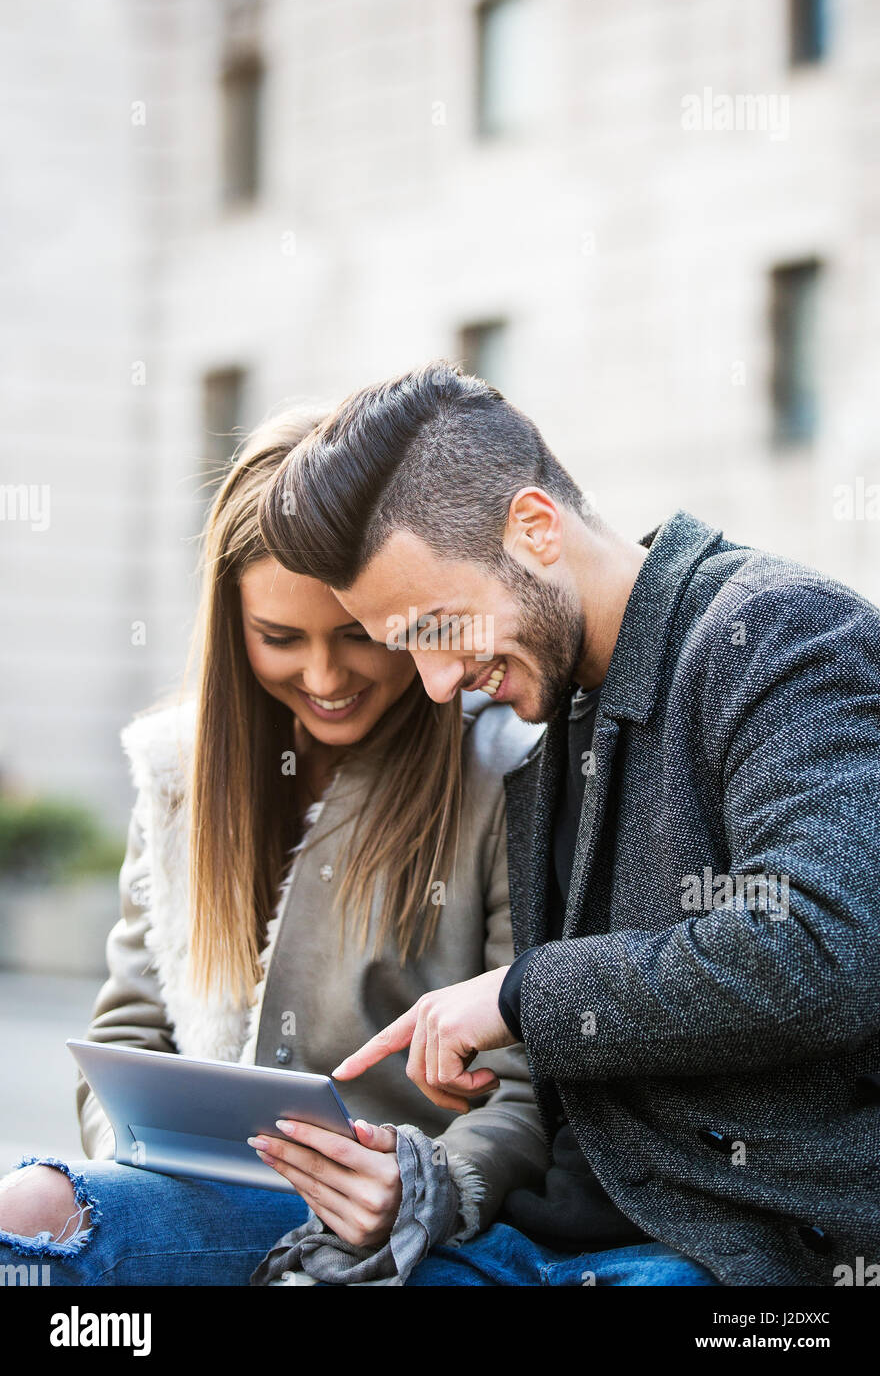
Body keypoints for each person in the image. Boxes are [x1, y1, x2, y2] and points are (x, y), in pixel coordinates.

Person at [257, 359, 880, 1287]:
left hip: (753, 1262)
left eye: (440, 629)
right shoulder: (549, 726)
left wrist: (514, 998)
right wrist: (418, 1171)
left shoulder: (779, 635)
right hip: (543, 1244)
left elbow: (828, 948)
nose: (434, 684)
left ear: (536, 528)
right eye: (405, 649)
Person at [0, 404, 547, 1287]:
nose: (326, 681)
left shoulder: (502, 767)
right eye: (280, 639)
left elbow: (528, 1088)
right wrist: (148, 1158)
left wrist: (425, 1187)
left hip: (414, 1223)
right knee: (27, 1214)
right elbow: (130, 1034)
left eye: (357, 636)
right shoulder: (177, 773)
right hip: (206, 1197)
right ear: (232, 628)